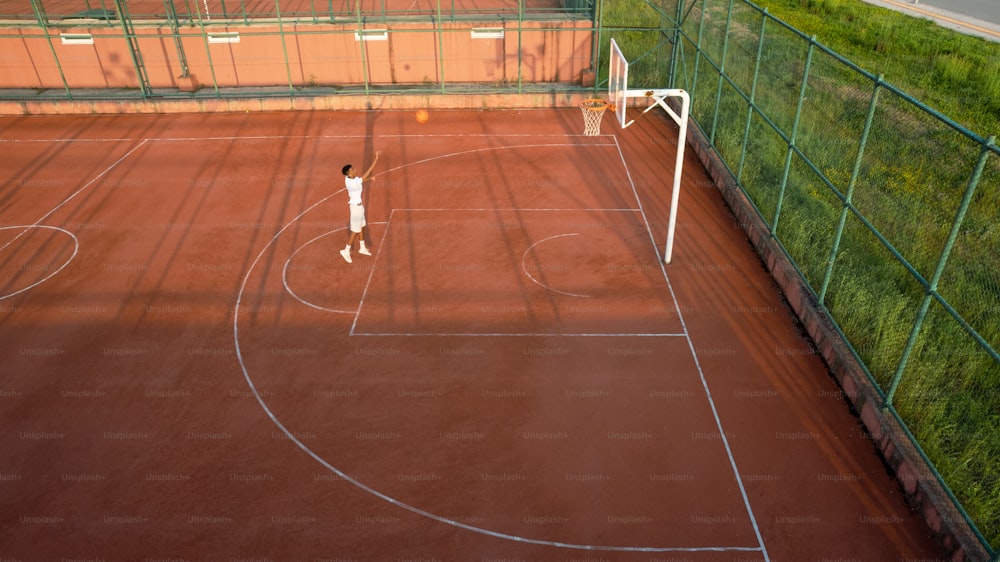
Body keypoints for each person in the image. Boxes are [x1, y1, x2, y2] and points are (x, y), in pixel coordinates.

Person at [339, 150, 382, 263]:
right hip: (355, 208)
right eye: (353, 170)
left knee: (362, 226)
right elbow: (364, 176)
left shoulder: (352, 179)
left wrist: (370, 179)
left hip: (359, 207)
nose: (355, 170)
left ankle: (362, 247)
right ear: (348, 173)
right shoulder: (351, 183)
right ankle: (346, 250)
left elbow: (362, 180)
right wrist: (376, 159)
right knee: (355, 230)